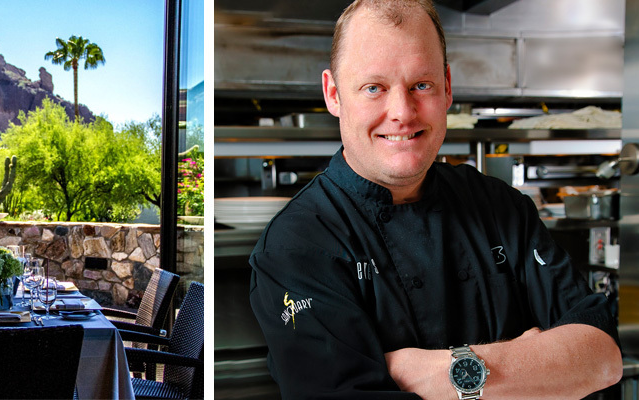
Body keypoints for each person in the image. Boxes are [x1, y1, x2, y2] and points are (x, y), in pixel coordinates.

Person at [248, 0, 623, 398]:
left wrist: (442, 372)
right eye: (373, 88)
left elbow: (601, 356)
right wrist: (531, 363)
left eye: (420, 85)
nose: (402, 112)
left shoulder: (501, 206)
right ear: (333, 94)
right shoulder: (296, 246)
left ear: (447, 87)